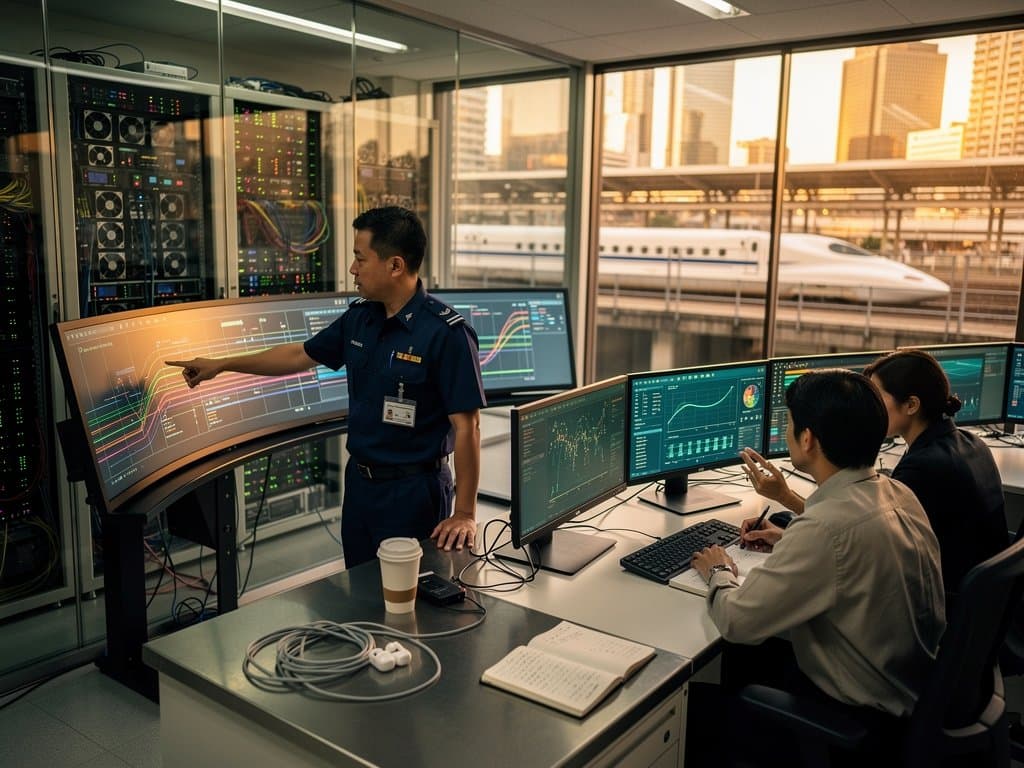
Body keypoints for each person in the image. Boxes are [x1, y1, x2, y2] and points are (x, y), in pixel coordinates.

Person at [167, 206, 486, 567]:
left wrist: (464, 513)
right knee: (361, 597)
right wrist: (222, 365)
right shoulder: (361, 318)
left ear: (395, 265)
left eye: (360, 258)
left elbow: (468, 427)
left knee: (414, 604)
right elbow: (297, 356)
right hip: (362, 486)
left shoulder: (447, 334)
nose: (353, 269)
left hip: (413, 493)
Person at [692, 370, 944, 723]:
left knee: (697, 702)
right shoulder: (898, 493)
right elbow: (846, 535)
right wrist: (789, 526)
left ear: (807, 439)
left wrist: (718, 569)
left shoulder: (826, 531)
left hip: (857, 714)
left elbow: (736, 622)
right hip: (909, 689)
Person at [739, 349, 1007, 594]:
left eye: (877, 398)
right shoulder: (969, 442)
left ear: (911, 405)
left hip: (945, 603)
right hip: (976, 603)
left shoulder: (924, 468)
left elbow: (859, 536)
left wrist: (786, 499)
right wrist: (790, 538)